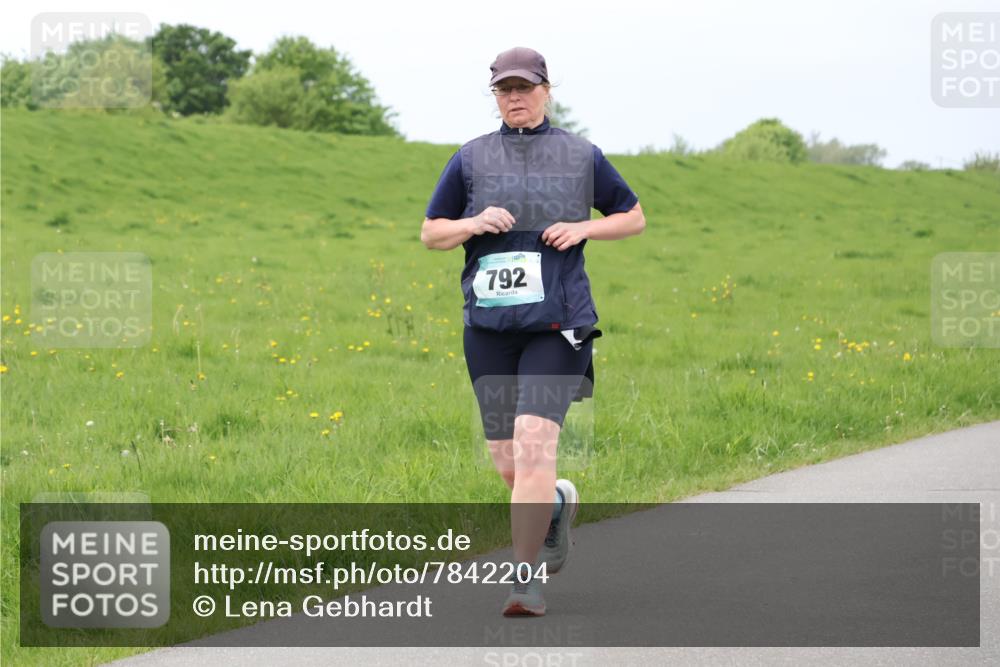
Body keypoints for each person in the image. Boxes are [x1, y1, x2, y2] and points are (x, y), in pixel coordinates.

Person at [421, 46, 646, 616]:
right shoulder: (470, 159)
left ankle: (525, 580)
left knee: (534, 441)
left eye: (524, 88)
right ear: (494, 95)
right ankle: (555, 506)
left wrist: (584, 227)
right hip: (491, 326)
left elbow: (634, 215)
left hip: (560, 323)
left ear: (547, 89)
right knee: (506, 461)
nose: (514, 97)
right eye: (504, 89)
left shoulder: (580, 155)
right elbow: (431, 233)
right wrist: (471, 222)